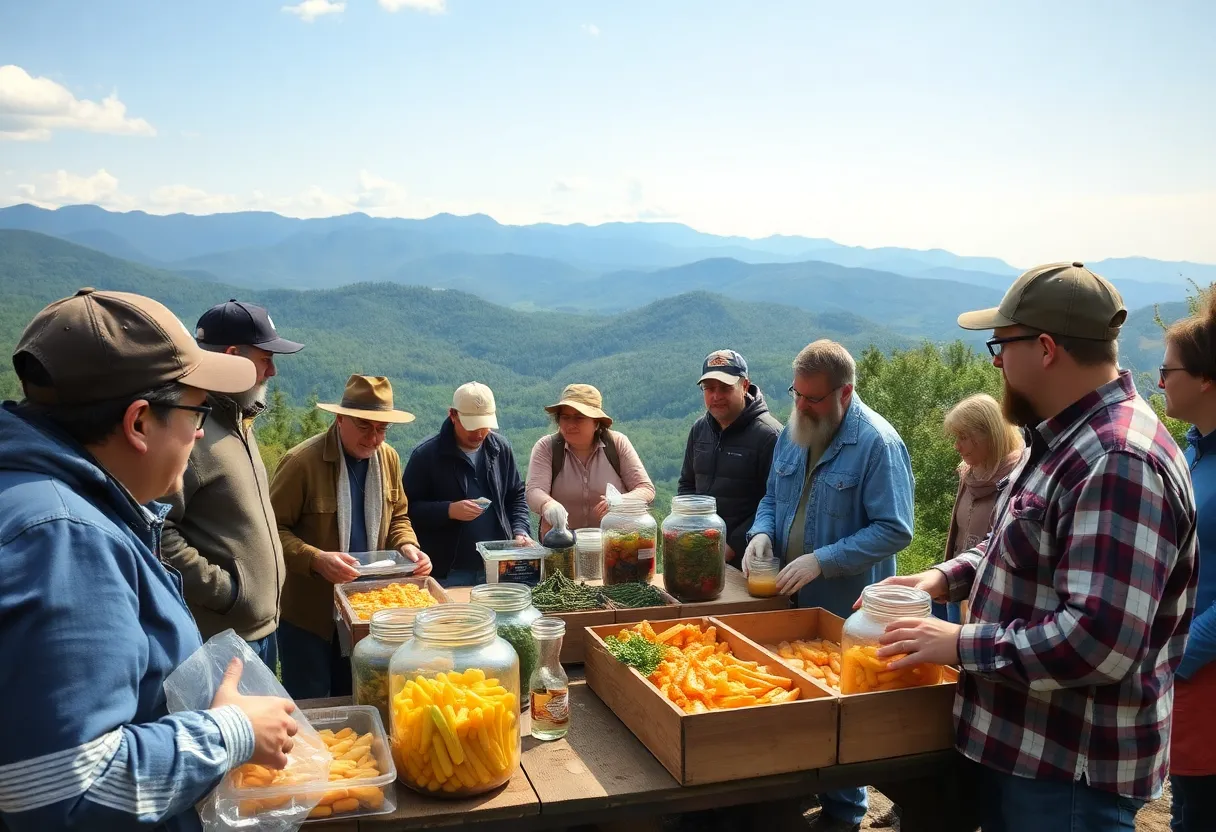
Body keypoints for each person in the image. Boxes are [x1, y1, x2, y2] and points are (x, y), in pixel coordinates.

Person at [873, 262, 1196, 832]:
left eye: (1000, 347)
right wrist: (943, 577)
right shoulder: (1062, 439)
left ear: (1045, 348)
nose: (996, 363)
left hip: (1067, 777)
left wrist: (960, 643)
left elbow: (1100, 642)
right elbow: (1020, 547)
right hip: (1025, 757)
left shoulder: (1117, 461)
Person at [0, 289, 298, 831]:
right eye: (196, 410)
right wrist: (231, 732)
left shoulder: (50, 504)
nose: (201, 430)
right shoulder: (64, 540)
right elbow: (65, 787)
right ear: (139, 423)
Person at [744, 339, 915, 832]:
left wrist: (823, 560)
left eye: (812, 399)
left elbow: (895, 528)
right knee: (797, 698)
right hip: (787, 598)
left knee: (843, 711)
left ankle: (844, 814)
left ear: (845, 393)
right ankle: (800, 796)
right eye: (796, 394)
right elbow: (773, 497)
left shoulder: (878, 443)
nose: (800, 406)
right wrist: (760, 530)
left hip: (845, 607)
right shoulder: (793, 432)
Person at [161, 299, 304, 668]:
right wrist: (226, 593)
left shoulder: (239, 418)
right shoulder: (190, 431)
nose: (272, 371)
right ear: (231, 357)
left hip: (260, 630)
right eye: (264, 359)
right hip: (223, 642)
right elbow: (157, 531)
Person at [270, 374, 432, 700]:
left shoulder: (388, 458)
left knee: (359, 695)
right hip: (309, 618)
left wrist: (408, 546)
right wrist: (315, 559)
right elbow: (271, 532)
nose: (374, 438)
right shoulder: (302, 463)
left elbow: (398, 515)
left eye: (382, 429)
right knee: (310, 702)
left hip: (365, 613)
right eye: (364, 426)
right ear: (340, 418)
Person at [1158, 291, 1216, 831]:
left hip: (1203, 671)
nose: (1159, 382)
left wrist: (1178, 657)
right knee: (1188, 806)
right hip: (1188, 671)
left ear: (1204, 379)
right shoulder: (1192, 448)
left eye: (1167, 370)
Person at [404, 382, 533, 586]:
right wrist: (449, 510)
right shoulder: (426, 455)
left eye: (485, 426)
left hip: (498, 565)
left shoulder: (500, 449)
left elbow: (516, 495)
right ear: (453, 415)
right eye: (472, 426)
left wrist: (520, 530)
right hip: (448, 571)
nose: (479, 434)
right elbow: (406, 511)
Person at [678, 349, 782, 563]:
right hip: (702, 551)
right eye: (709, 388)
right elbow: (687, 485)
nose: (716, 396)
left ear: (744, 386)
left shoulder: (769, 436)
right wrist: (693, 533)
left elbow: (777, 501)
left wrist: (733, 545)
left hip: (751, 559)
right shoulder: (699, 430)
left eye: (725, 388)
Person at [937, 393, 1025, 623]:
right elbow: (955, 536)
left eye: (964, 437)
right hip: (956, 588)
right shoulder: (968, 474)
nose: (957, 446)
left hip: (990, 602)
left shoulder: (1018, 478)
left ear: (991, 434)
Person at [526, 383, 655, 537]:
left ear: (596, 423)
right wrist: (548, 504)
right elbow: (534, 491)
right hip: (562, 546)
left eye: (579, 418)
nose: (570, 424)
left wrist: (619, 501)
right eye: (565, 417)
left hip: (614, 542)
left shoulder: (617, 444)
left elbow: (646, 489)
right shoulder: (547, 447)